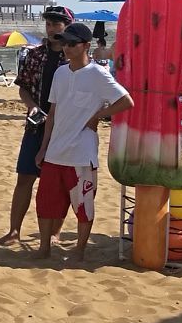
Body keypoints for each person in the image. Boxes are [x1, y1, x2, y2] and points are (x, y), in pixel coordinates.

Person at [36, 21, 133, 264]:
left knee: (83, 205)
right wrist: (43, 147)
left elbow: (126, 101)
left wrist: (98, 116)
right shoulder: (60, 73)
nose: (66, 48)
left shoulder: (98, 73)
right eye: (64, 43)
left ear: (86, 46)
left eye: (72, 44)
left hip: (81, 153)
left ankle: (79, 250)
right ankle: (44, 248)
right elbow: (52, 113)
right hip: (55, 151)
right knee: (45, 204)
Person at [0, 6, 70, 248]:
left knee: (59, 184)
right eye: (48, 24)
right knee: (24, 178)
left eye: (56, 24)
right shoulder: (35, 55)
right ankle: (14, 231)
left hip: (63, 129)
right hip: (36, 126)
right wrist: (32, 106)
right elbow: (23, 87)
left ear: (67, 26)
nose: (51, 28)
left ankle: (55, 233)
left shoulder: (74, 58)